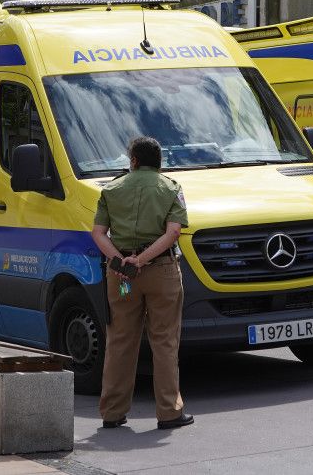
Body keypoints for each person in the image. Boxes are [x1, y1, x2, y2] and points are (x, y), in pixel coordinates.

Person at [90, 136, 194, 430]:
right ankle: (169, 412)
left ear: (133, 161)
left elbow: (98, 234)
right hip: (161, 271)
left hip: (121, 276)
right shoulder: (171, 188)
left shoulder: (110, 190)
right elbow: (173, 232)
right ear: (159, 163)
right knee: (164, 341)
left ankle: (112, 412)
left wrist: (121, 261)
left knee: (120, 341)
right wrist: (143, 259)